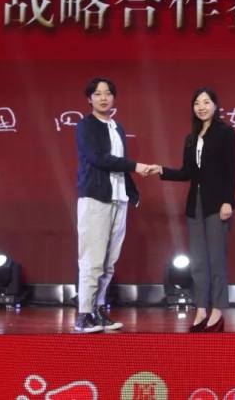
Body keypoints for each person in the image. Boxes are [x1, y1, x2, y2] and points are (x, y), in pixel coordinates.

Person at [152, 87, 235, 333]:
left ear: (215, 105)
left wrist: (228, 201)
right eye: (197, 103)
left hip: (217, 203)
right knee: (198, 261)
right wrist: (161, 170)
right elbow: (187, 173)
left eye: (206, 102)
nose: (202, 107)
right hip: (195, 204)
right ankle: (201, 309)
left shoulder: (226, 133)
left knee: (216, 259)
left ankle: (217, 311)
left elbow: (231, 170)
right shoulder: (191, 138)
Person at [74, 77, 155, 333]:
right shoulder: (86, 126)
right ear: (89, 99)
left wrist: (131, 191)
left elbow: (119, 162)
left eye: (108, 93)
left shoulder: (117, 127)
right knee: (93, 260)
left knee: (109, 262)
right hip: (95, 198)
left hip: (119, 199)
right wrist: (136, 166)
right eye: (98, 94)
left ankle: (99, 310)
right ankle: (83, 314)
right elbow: (98, 158)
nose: (103, 98)